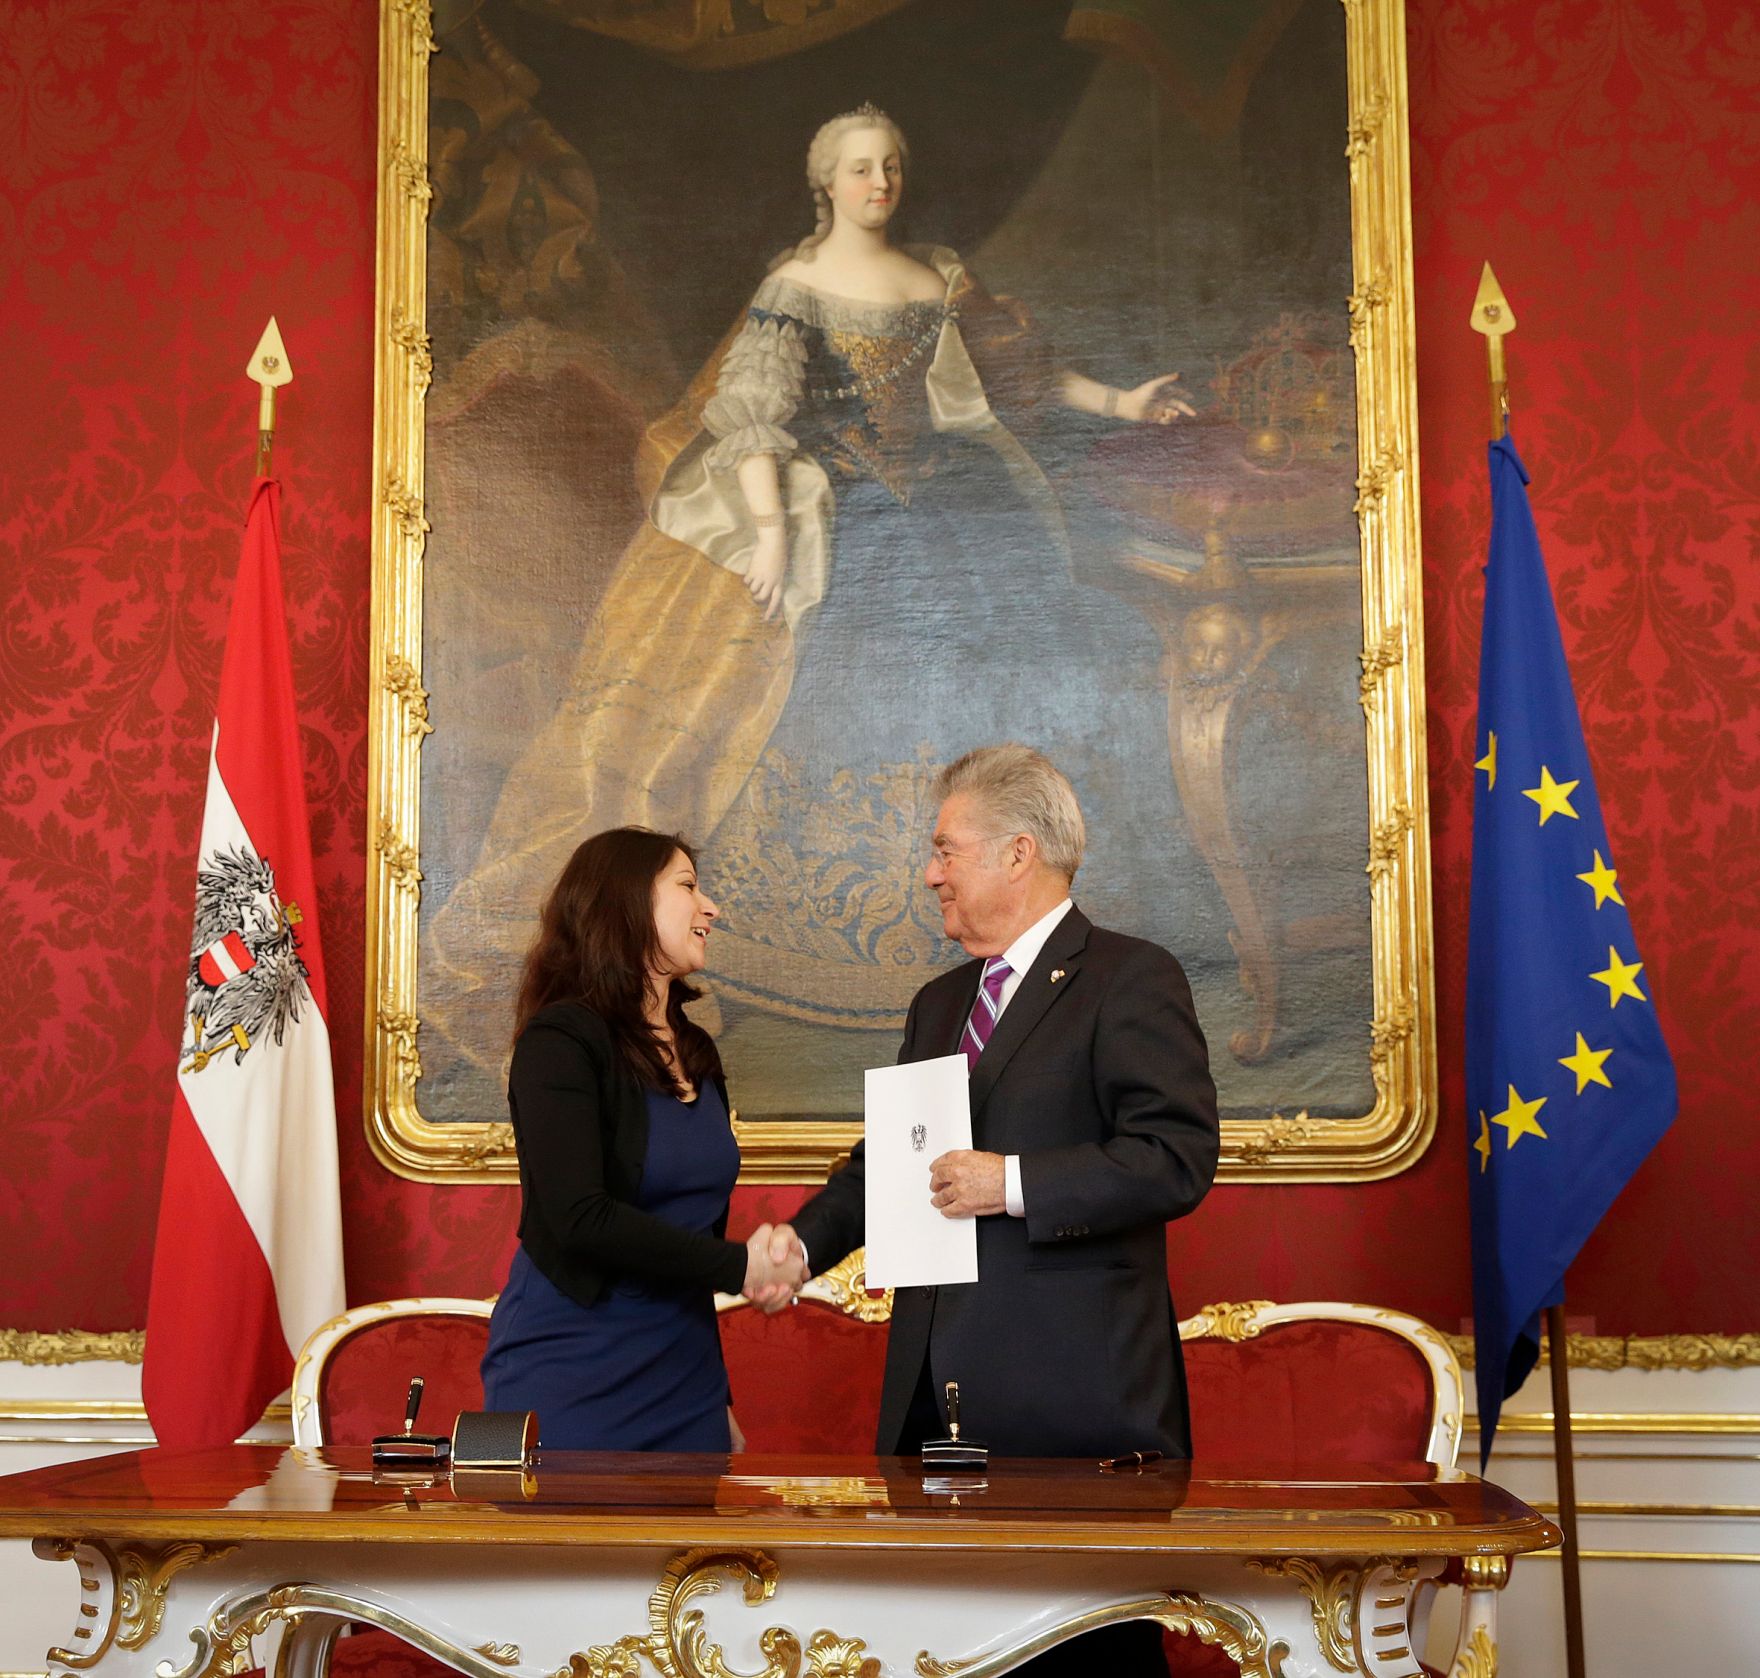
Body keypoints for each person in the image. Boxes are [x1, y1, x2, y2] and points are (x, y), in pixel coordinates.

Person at [425, 103, 1194, 1087]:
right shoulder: (796, 283)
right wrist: (777, 537)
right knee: (807, 655)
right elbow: (746, 417)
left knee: (1009, 637)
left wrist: (1123, 402)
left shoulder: (938, 274)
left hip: (950, 500)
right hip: (831, 499)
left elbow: (1020, 379)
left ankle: (986, 918)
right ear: (824, 182)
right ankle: (808, 940)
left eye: (890, 167)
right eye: (859, 169)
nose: (879, 183)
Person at [766, 745, 1219, 1675]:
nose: (929, 873)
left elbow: (1175, 1159)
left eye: (945, 849)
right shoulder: (939, 1003)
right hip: (939, 1399)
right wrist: (798, 1247)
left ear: (1019, 853)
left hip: (1074, 1412)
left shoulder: (1129, 978)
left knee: (1082, 1659)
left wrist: (1009, 1182)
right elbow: (894, 1166)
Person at [479, 827, 805, 1451]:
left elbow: (695, 1235)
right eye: (687, 887)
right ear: (624, 904)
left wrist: (720, 1400)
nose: (711, 907)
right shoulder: (560, 1043)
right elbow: (579, 1217)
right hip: (570, 1366)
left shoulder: (697, 1050)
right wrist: (743, 1266)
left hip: (685, 1375)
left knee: (692, 1553)